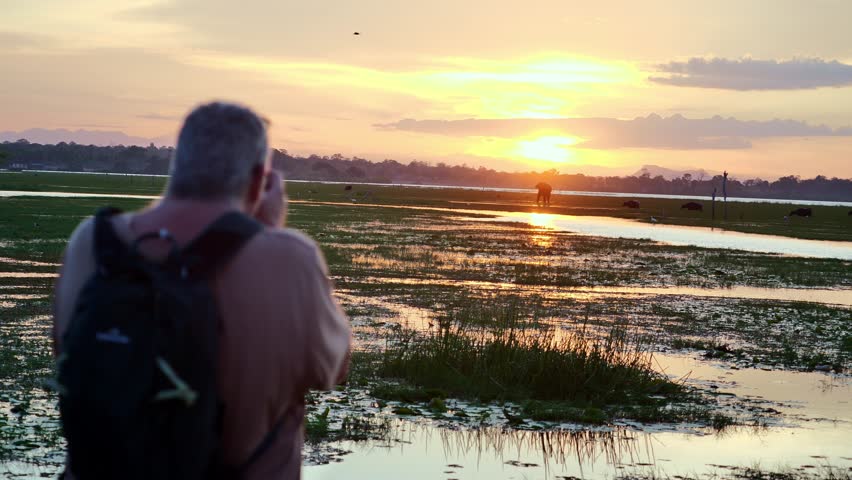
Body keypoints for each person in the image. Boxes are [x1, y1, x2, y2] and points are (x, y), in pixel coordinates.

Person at [52, 101, 351, 479]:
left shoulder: (91, 244)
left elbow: (67, 354)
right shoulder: (290, 257)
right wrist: (268, 234)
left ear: (176, 165)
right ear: (260, 178)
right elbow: (332, 369)